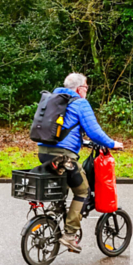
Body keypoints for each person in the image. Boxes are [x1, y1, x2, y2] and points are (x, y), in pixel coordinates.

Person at [37, 73, 123, 253]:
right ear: (78, 89)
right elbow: (94, 131)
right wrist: (112, 144)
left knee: (66, 181)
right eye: (86, 87)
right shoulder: (80, 103)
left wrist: (80, 142)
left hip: (44, 154)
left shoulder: (54, 100)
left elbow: (61, 130)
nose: (86, 91)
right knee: (82, 191)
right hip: (64, 157)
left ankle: (57, 210)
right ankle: (69, 235)